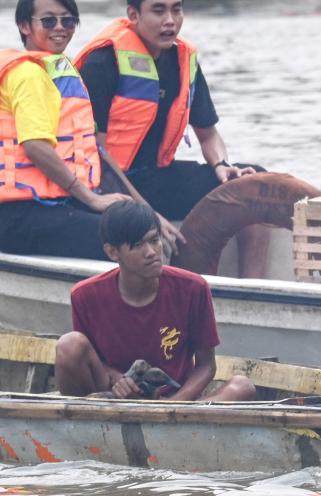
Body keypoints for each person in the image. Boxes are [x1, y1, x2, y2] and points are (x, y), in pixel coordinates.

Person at [75, 0, 273, 278]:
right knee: (140, 220)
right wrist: (145, 211)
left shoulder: (184, 60)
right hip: (111, 186)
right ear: (133, 15)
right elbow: (97, 155)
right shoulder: (103, 61)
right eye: (158, 11)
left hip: (158, 177)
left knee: (253, 185)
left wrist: (222, 165)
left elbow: (209, 134)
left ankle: (253, 289)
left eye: (176, 10)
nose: (170, 20)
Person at [56, 201, 256, 401]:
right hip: (113, 399)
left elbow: (206, 365)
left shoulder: (193, 288)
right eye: (138, 245)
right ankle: (86, 425)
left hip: (175, 402)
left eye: (154, 240)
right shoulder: (85, 296)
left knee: (242, 387)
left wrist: (173, 406)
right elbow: (92, 361)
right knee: (69, 345)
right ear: (112, 252)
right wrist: (118, 380)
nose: (152, 252)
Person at [0, 0, 139, 260]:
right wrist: (90, 198)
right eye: (49, 20)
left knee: (139, 222)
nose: (60, 28)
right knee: (127, 237)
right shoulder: (27, 74)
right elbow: (35, 146)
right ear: (24, 26)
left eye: (68, 20)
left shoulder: (56, 70)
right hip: (18, 214)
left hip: (52, 204)